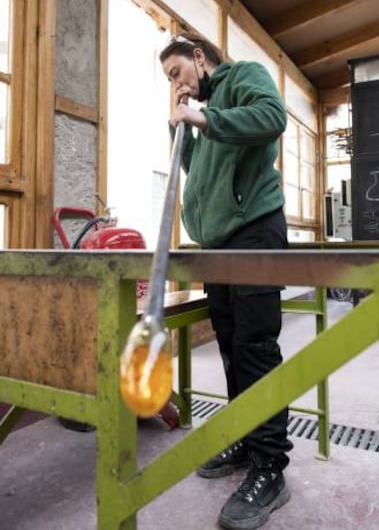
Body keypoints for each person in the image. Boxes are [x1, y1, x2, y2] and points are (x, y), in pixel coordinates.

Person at [159, 32, 292, 530]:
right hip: (216, 243)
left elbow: (272, 117)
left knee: (256, 346)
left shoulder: (245, 77)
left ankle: (270, 467)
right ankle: (244, 434)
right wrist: (179, 122)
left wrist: (203, 116)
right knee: (234, 347)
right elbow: (195, 168)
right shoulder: (207, 114)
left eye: (177, 73)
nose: (176, 84)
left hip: (254, 230)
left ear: (199, 57)